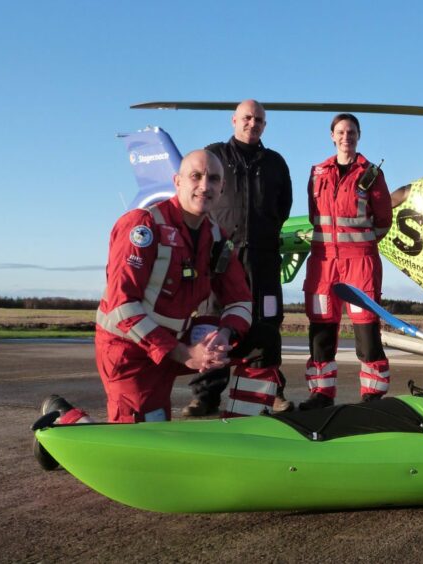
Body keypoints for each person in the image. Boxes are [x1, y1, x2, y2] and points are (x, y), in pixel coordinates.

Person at [94, 149, 253, 422]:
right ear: (177, 181)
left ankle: (247, 426)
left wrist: (224, 336)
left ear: (222, 187)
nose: (205, 186)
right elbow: (122, 306)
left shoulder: (216, 238)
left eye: (213, 179)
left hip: (175, 341)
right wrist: (186, 354)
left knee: (262, 342)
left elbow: (241, 300)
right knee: (145, 439)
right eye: (196, 176)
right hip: (130, 348)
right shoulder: (143, 226)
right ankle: (66, 418)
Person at [183, 99, 294, 416]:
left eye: (258, 119)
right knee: (213, 322)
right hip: (221, 253)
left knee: (266, 325)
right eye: (247, 118)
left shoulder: (275, 163)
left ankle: (269, 393)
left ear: (264, 125)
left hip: (263, 257)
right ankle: (206, 395)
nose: (252, 123)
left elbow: (282, 206)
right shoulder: (215, 154)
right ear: (234, 120)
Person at [300, 113, 392, 410]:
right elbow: (316, 217)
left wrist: (360, 244)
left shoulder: (372, 174)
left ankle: (373, 395)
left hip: (359, 264)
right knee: (321, 329)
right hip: (323, 262)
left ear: (358, 135)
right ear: (332, 136)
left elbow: (383, 220)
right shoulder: (317, 173)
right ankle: (321, 394)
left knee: (366, 329)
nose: (346, 136)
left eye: (351, 132)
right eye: (340, 131)